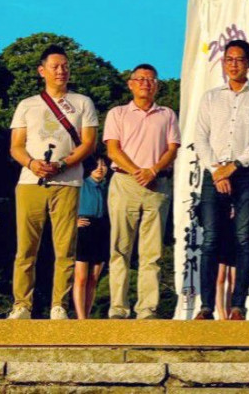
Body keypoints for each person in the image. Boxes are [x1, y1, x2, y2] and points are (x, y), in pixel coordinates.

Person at [9, 44, 98, 320]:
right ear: (42, 70)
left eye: (65, 66)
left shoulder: (83, 102)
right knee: (26, 247)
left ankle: (59, 305)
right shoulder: (27, 105)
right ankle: (22, 304)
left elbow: (88, 143)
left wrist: (61, 164)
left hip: (68, 181)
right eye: (55, 66)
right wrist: (33, 164)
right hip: (30, 182)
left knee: (65, 247)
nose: (61, 71)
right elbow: (16, 146)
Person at [194, 39, 249, 320]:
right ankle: (205, 307)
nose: (234, 64)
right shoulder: (211, 97)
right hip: (213, 174)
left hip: (246, 174)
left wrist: (235, 165)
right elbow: (200, 137)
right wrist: (217, 169)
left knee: (243, 238)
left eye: (240, 59)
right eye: (229, 59)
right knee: (211, 239)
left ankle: (238, 305)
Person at [104, 63, 180, 319]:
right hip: (125, 182)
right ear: (130, 83)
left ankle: (147, 307)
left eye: (150, 79)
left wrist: (153, 171)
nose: (145, 83)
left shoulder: (167, 114)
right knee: (120, 247)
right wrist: (138, 171)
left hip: (157, 184)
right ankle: (118, 306)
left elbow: (172, 148)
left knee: (151, 252)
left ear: (157, 85)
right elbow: (113, 149)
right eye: (140, 79)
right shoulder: (118, 113)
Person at [72, 156, 109, 319]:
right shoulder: (81, 183)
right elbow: (67, 204)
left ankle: (87, 315)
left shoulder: (107, 186)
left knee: (94, 278)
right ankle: (81, 318)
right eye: (96, 165)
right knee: (81, 277)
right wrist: (73, 221)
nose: (100, 168)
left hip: (102, 228)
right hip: (84, 228)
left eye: (103, 165)